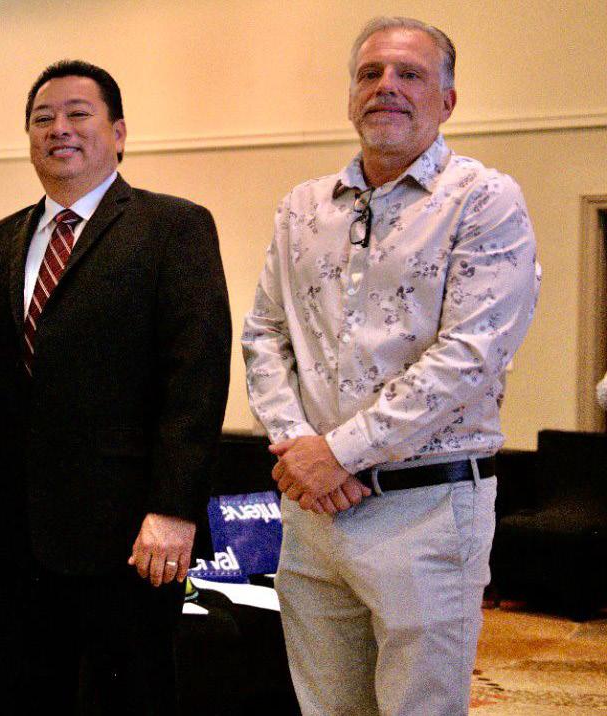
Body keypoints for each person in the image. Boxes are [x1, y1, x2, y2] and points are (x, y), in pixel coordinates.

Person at [241, 16, 541, 715]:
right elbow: (264, 334)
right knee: (327, 708)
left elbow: (469, 355)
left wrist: (338, 454)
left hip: (427, 509)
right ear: (352, 96)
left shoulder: (483, 199)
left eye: (410, 74)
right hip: (313, 513)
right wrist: (299, 449)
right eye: (370, 73)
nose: (386, 87)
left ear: (448, 100)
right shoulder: (302, 208)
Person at [0, 60, 231, 711]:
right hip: (21, 538)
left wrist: (174, 509)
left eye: (77, 114)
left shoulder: (173, 228)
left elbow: (196, 381)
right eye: (43, 118)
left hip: (134, 537)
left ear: (118, 133)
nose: (58, 129)